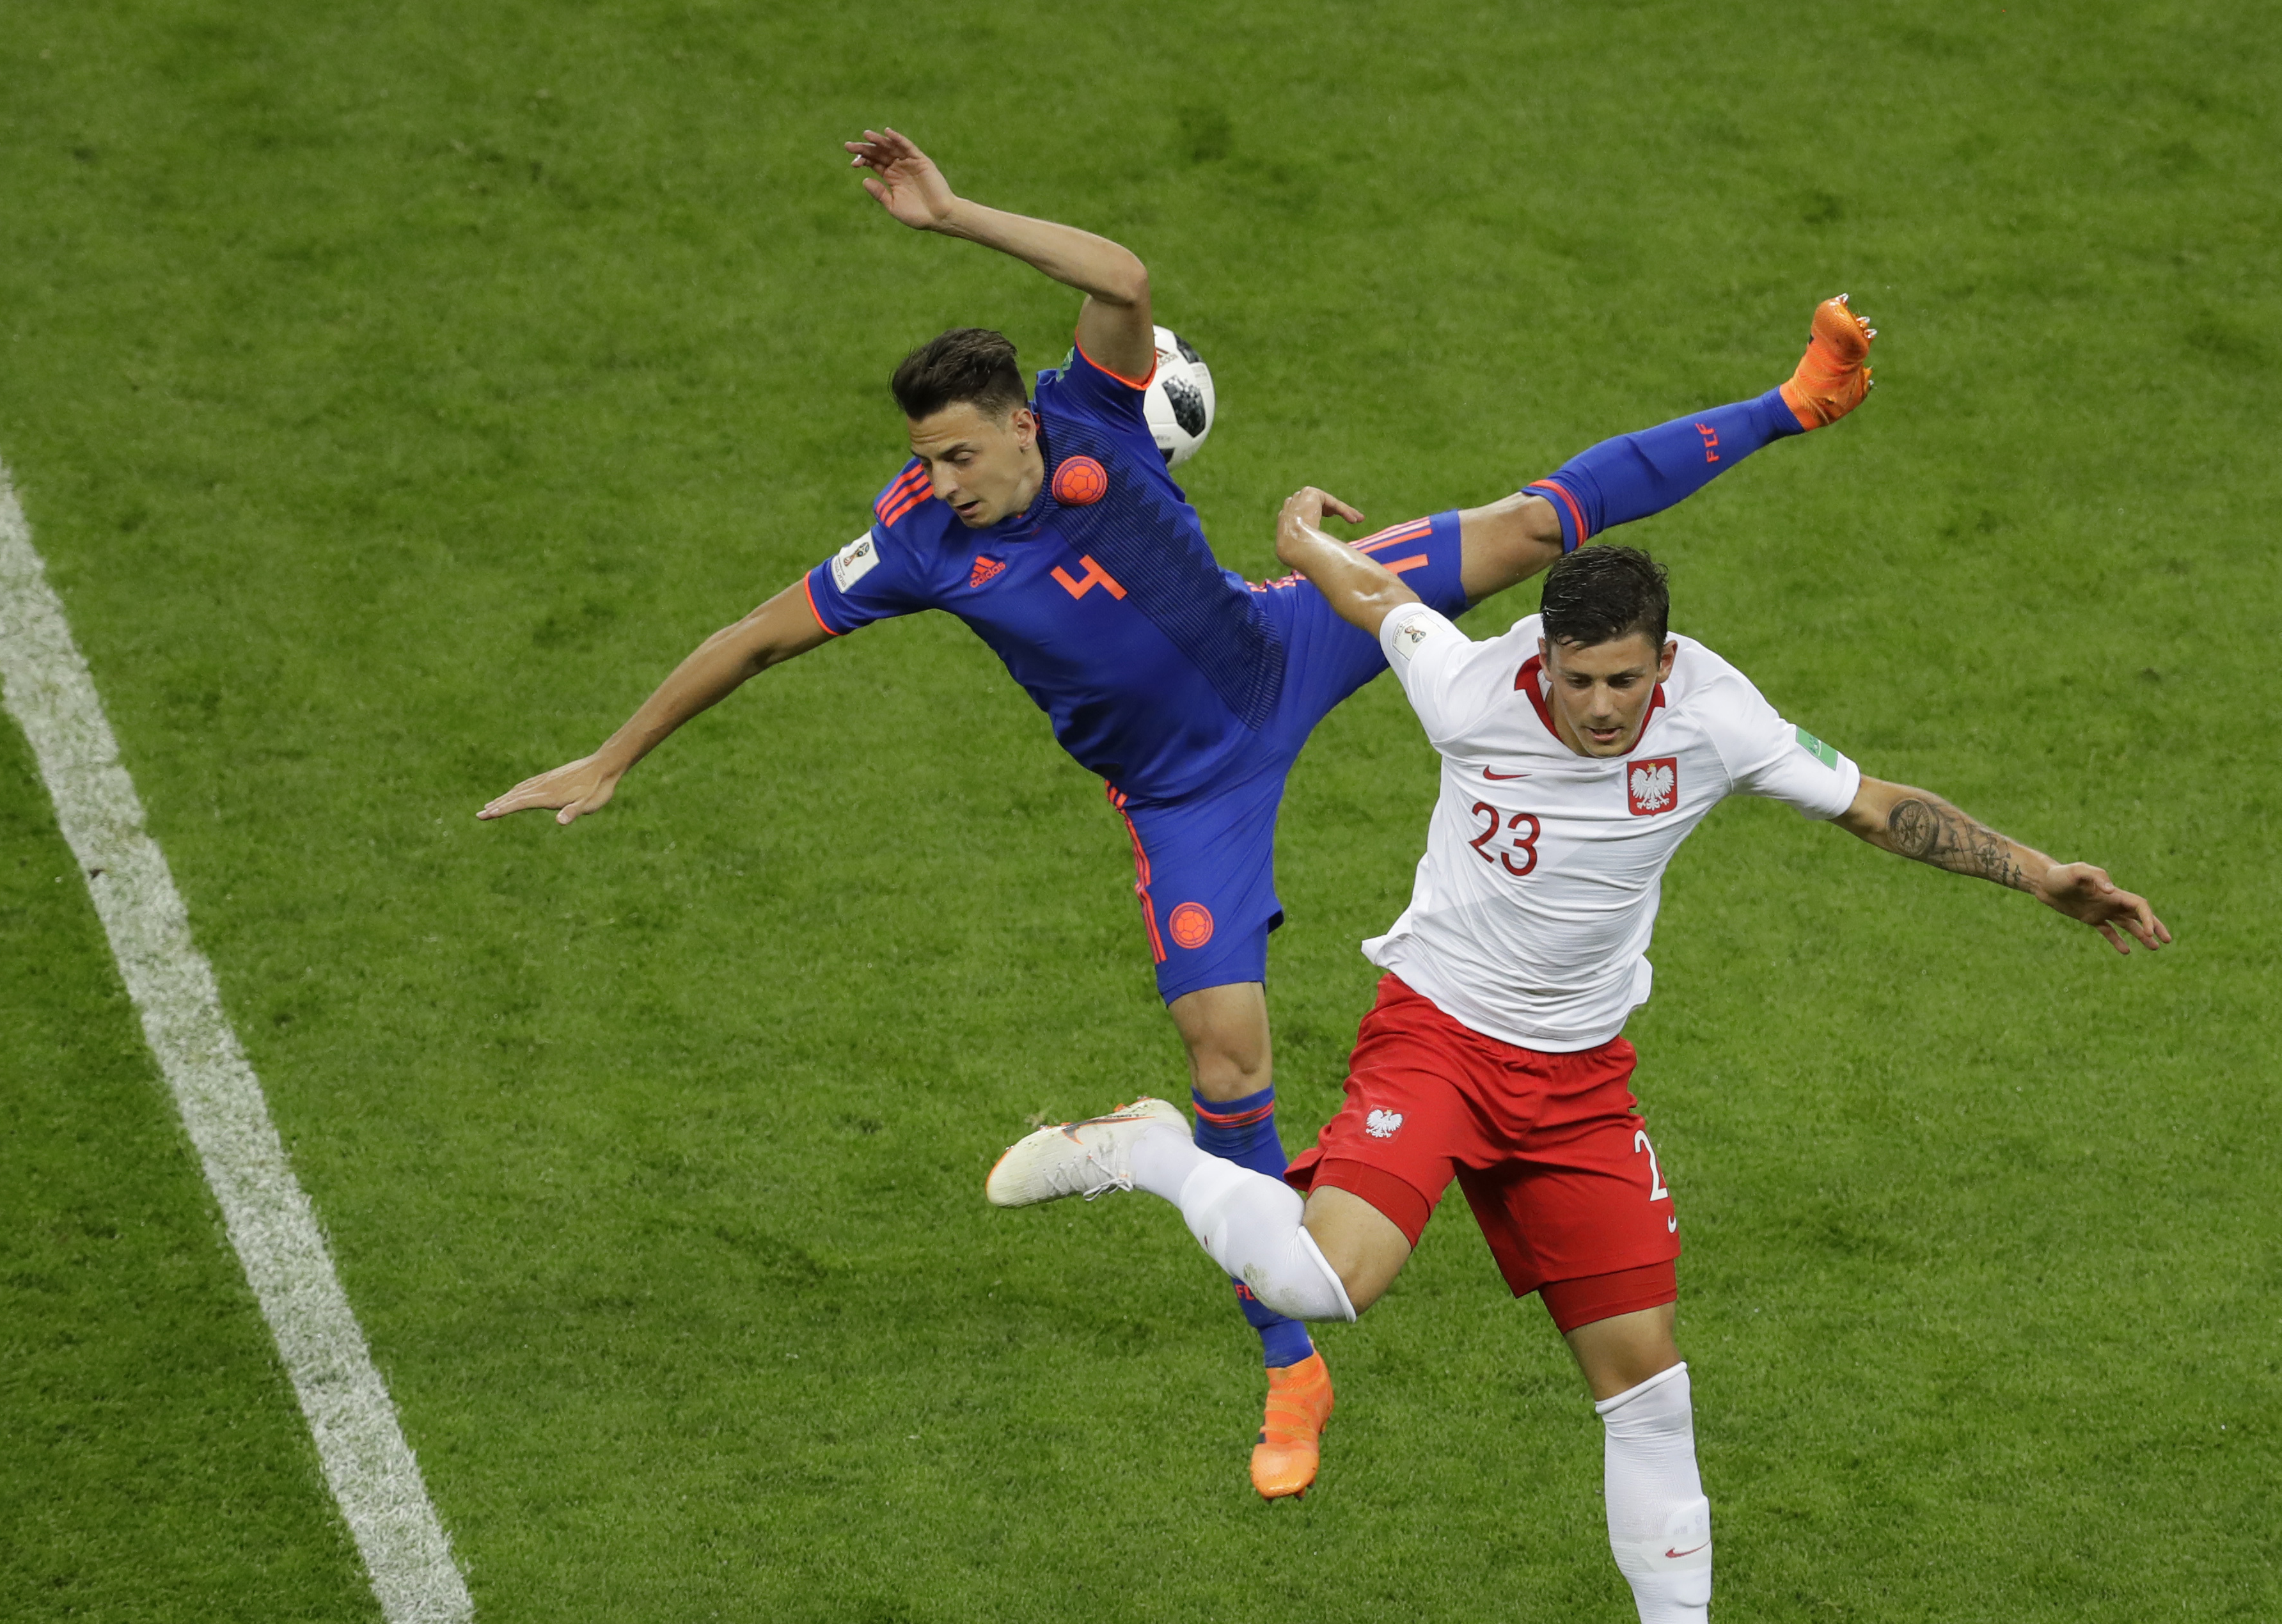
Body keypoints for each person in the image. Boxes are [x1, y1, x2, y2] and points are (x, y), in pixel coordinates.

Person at [480, 127, 1881, 1502]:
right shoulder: (913, 540)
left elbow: (1124, 275)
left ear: (1023, 425)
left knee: (1532, 526)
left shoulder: (1088, 404)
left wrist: (956, 211)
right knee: (1226, 1054)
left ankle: (1790, 402)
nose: (943, 482)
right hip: (1185, 790)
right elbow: (756, 636)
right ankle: (1289, 1361)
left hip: (1282, 644)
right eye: (929, 459)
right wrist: (614, 755)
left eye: (962, 455)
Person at [984, 523, 2168, 1624]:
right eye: (1576, 677)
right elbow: (1384, 600)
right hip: (1435, 1035)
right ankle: (1150, 1146)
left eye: (1624, 681)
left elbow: (1880, 807)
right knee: (1322, 1281)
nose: (1598, 707)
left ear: (1663, 665)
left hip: (1580, 1082)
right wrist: (1303, 539)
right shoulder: (1472, 686)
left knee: (1649, 1388)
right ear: (1540, 656)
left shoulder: (1717, 716)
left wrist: (2044, 877)